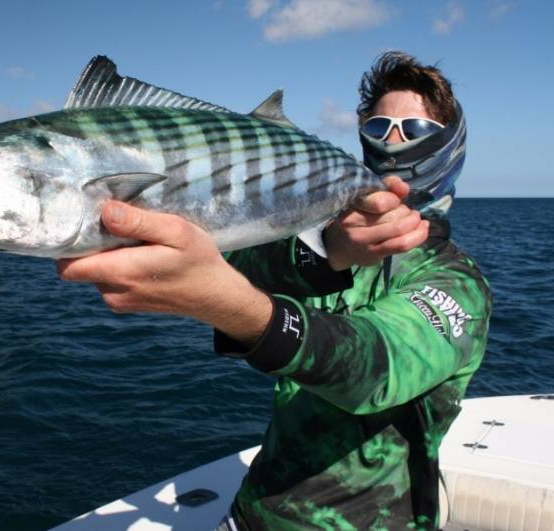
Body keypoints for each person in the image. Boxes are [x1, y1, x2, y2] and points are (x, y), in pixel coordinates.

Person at [58, 51, 491, 530]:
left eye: (414, 130)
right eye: (378, 127)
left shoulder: (458, 283)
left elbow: (371, 371)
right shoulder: (320, 247)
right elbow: (250, 265)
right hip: (250, 516)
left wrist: (226, 301)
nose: (392, 141)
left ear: (449, 145)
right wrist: (328, 248)